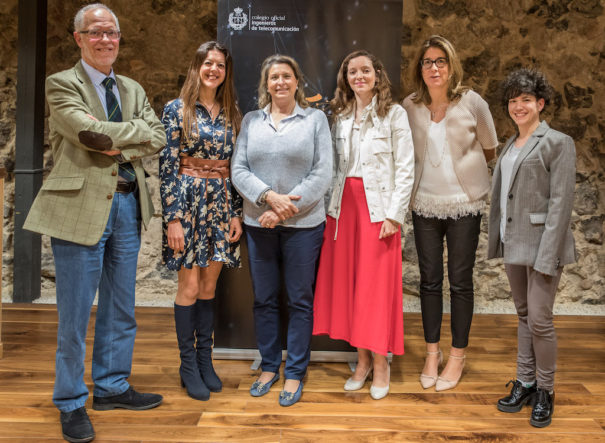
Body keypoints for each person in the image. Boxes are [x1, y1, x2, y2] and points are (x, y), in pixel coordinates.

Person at [23, 3, 165, 442]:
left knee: (121, 308)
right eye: (96, 32)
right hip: (78, 207)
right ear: (79, 38)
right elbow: (87, 135)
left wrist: (115, 137)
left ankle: (112, 386)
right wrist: (129, 135)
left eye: (112, 33)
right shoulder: (60, 83)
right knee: (74, 314)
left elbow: (156, 135)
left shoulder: (133, 87)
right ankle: (70, 401)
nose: (106, 40)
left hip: (126, 206)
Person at [312, 50, 414, 400]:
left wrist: (394, 214)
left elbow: (406, 168)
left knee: (375, 290)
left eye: (365, 70)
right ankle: (362, 361)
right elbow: (334, 167)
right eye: (352, 71)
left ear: (377, 74)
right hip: (343, 211)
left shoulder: (394, 114)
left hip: (378, 211)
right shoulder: (339, 115)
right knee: (352, 288)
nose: (359, 76)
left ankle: (382, 364)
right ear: (346, 78)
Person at [231, 54, 332, 407]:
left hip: (304, 226)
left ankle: (295, 373)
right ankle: (270, 366)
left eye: (286, 76)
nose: (280, 83)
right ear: (266, 83)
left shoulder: (315, 119)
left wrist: (284, 211)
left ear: (296, 81)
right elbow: (238, 169)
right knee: (264, 299)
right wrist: (269, 199)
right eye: (274, 77)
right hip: (259, 224)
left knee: (300, 301)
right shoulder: (251, 121)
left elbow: (322, 173)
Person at [402, 35, 498, 392]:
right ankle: (432, 353)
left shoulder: (473, 102)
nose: (434, 67)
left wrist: (464, 175)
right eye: (427, 62)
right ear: (420, 68)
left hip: (463, 204)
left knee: (460, 281)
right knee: (428, 281)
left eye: (440, 60)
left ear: (451, 64)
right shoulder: (409, 105)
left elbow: (490, 148)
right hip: (423, 204)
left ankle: (457, 355)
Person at [488, 68, 576, 428]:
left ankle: (546, 390)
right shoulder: (510, 144)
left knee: (540, 320)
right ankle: (525, 382)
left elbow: (561, 203)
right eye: (513, 100)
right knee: (523, 315)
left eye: (526, 99)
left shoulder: (557, 142)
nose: (518, 106)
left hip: (542, 246)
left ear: (540, 103)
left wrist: (548, 254)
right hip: (514, 243)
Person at [160, 41, 243, 401]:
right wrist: (173, 218)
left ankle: (205, 361)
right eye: (208, 63)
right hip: (188, 204)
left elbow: (238, 168)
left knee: (209, 289)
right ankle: (187, 364)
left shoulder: (233, 112)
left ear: (226, 72)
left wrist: (237, 212)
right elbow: (167, 166)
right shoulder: (176, 110)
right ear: (197, 67)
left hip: (221, 204)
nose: (214, 70)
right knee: (189, 289)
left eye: (220, 65)